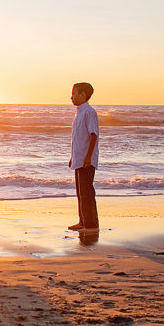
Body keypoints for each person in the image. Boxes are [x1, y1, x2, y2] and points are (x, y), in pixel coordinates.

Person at [68, 81, 99, 233]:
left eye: (74, 94)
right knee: (80, 193)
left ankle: (91, 223)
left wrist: (88, 157)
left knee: (86, 192)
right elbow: (77, 138)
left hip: (86, 160)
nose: (71, 97)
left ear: (82, 95)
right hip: (78, 158)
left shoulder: (89, 112)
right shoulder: (79, 113)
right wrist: (72, 157)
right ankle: (83, 221)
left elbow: (93, 136)